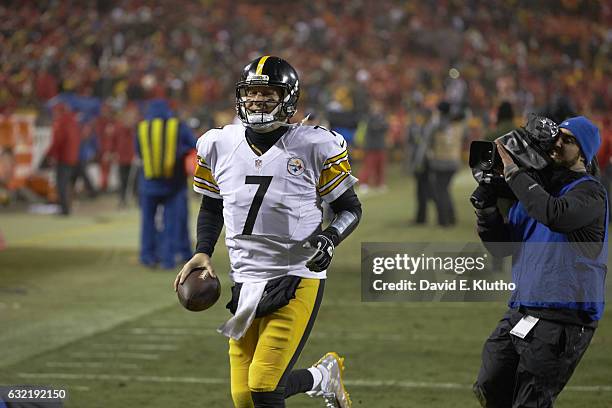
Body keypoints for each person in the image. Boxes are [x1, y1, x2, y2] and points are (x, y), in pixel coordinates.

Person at [174, 56, 361, 408]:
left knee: (264, 386)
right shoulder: (218, 144)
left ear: (288, 99)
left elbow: (351, 208)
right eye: (252, 93)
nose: (258, 100)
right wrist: (203, 250)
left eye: (268, 93)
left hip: (296, 274)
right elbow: (212, 205)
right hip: (245, 280)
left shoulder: (314, 144)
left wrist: (330, 237)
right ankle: (322, 376)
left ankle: (322, 377)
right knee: (244, 397)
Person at [471, 116, 608, 407]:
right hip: (522, 309)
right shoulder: (536, 191)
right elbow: (502, 248)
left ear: (583, 152)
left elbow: (553, 214)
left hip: (563, 318)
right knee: (490, 385)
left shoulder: (590, 193)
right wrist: (486, 210)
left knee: (530, 401)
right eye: (557, 136)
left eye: (568, 140)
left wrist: (512, 171)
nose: (558, 143)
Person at [136, 99, 196, 269]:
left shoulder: (142, 128)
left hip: (148, 183)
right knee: (172, 221)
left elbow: (139, 153)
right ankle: (168, 259)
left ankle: (147, 256)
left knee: (148, 222)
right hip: (173, 183)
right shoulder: (178, 126)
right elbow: (194, 145)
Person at [427, 101, 465, 227]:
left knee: (440, 191)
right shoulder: (458, 124)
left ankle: (444, 219)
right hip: (454, 161)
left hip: (440, 161)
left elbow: (428, 137)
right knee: (445, 189)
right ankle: (451, 216)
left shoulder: (437, 125)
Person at [46, 102, 80, 215]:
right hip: (72, 157)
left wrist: (50, 154)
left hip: (64, 157)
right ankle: (67, 207)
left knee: (61, 184)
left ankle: (64, 208)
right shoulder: (73, 122)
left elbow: (58, 141)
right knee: (68, 183)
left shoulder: (61, 123)